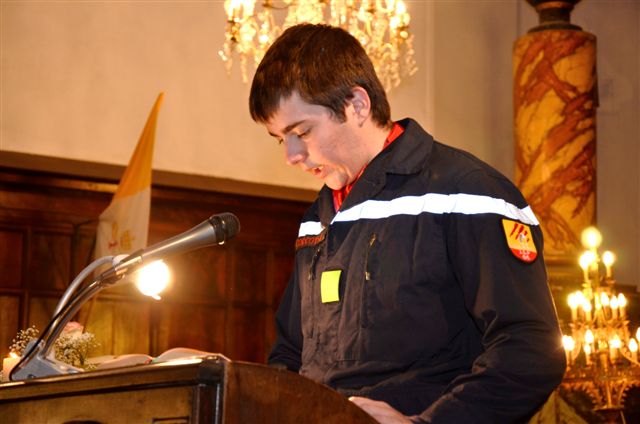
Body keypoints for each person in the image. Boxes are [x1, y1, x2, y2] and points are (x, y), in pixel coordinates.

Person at [249, 23, 566, 423]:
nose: (291, 156)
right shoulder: (318, 218)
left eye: (302, 132)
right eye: (281, 139)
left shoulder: (468, 192)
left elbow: (531, 349)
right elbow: (290, 354)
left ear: (357, 105)